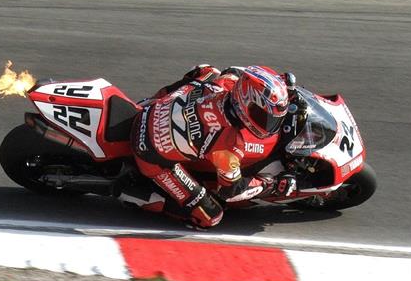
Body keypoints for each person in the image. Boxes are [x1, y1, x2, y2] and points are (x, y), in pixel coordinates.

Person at [121, 64, 297, 229]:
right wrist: (271, 184)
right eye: (263, 116)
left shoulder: (226, 84)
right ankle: (137, 194)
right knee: (210, 216)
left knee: (206, 71)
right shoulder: (228, 145)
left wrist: (279, 82)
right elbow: (231, 191)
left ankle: (149, 100)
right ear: (244, 104)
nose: (269, 124)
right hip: (150, 154)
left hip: (150, 111)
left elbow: (236, 71)